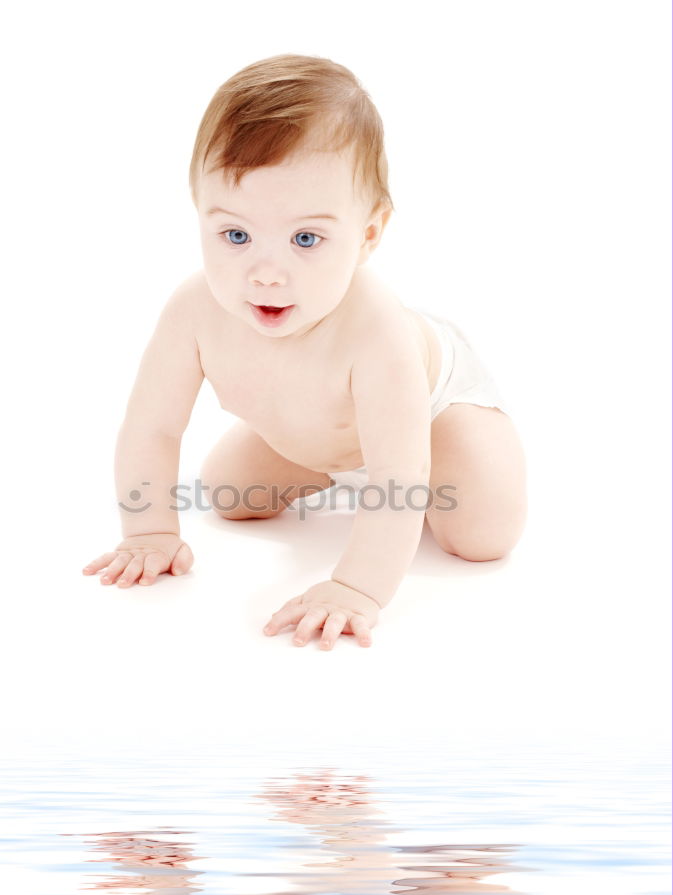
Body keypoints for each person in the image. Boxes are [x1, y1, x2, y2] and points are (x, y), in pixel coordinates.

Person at [82, 53, 527, 651]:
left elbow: (400, 473)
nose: (266, 273)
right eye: (235, 235)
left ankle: (412, 473)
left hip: (433, 414)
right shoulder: (194, 310)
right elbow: (154, 427)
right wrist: (150, 531)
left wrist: (358, 587)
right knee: (227, 494)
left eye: (306, 238)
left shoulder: (378, 333)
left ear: (367, 234)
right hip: (325, 430)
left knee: (482, 536)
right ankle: (334, 468)